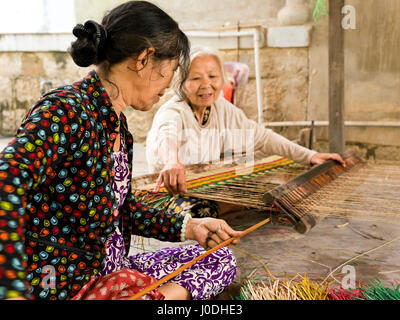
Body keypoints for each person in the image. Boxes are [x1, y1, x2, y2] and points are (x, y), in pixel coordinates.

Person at [0, 2, 242, 301]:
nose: (171, 84)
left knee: (218, 259)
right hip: (62, 283)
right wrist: (12, 290)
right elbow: (5, 182)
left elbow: (121, 212)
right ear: (144, 58)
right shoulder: (65, 110)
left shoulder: (117, 126)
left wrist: (191, 227)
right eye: (173, 69)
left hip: (109, 270)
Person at [146, 47, 346, 214]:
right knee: (202, 211)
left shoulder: (220, 108)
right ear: (181, 83)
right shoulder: (174, 110)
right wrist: (172, 160)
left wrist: (311, 156)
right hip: (171, 194)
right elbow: (166, 134)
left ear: (222, 80)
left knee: (269, 190)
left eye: (213, 76)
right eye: (195, 78)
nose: (206, 85)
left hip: (206, 186)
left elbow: (262, 137)